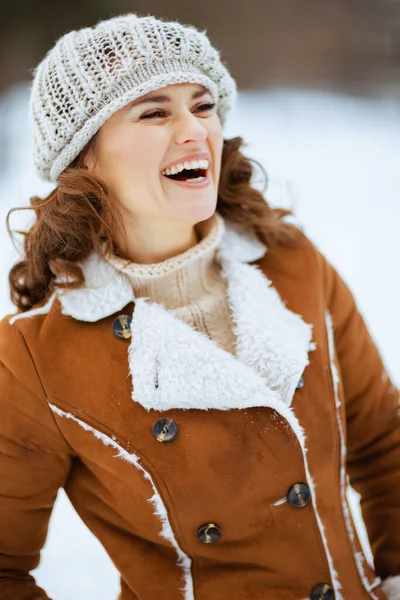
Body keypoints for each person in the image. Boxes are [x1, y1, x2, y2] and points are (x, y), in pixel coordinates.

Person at [0, 12, 399, 600]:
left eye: (204, 105)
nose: (194, 130)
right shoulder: (37, 355)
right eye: (155, 111)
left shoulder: (293, 265)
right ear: (84, 157)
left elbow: (384, 444)